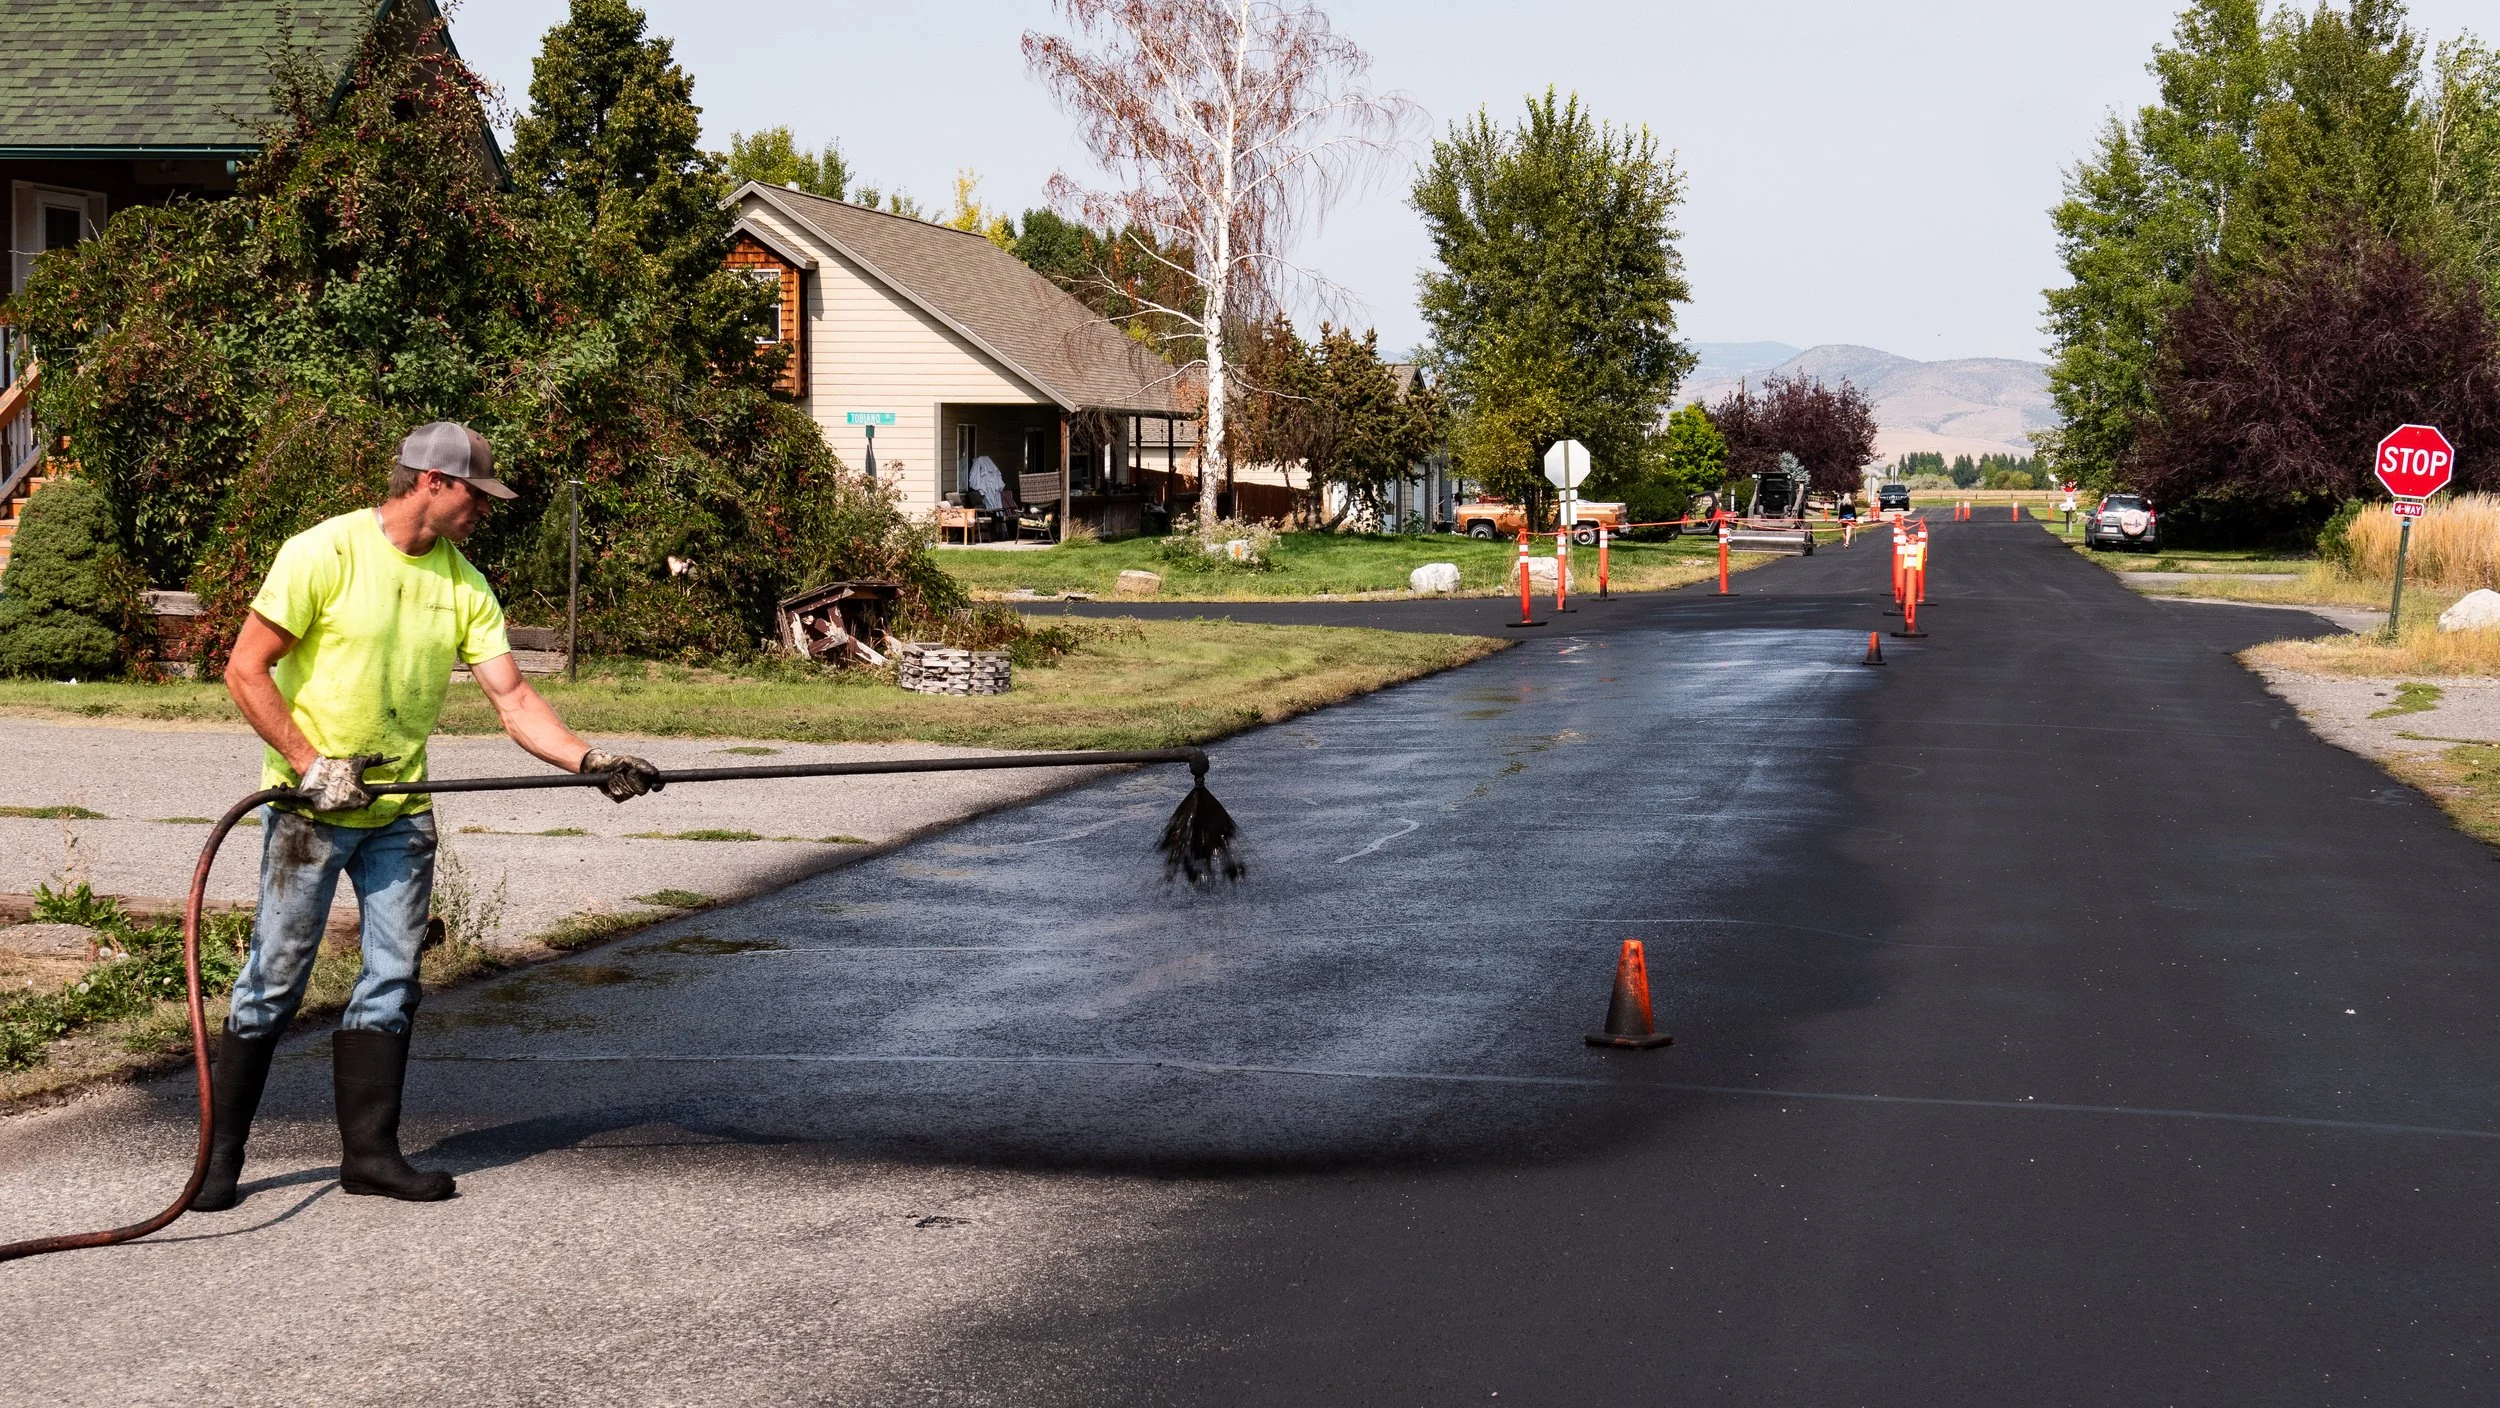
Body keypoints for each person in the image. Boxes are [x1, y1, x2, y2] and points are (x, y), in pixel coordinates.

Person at [194, 422, 662, 1211]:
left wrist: (591, 762)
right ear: (433, 482)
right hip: (310, 808)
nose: (484, 509)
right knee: (274, 981)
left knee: (392, 980)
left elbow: (512, 699)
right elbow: (246, 669)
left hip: (400, 809)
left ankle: (371, 1157)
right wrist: (314, 768)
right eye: (477, 495)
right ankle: (218, 1162)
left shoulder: (465, 584)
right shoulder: (324, 553)